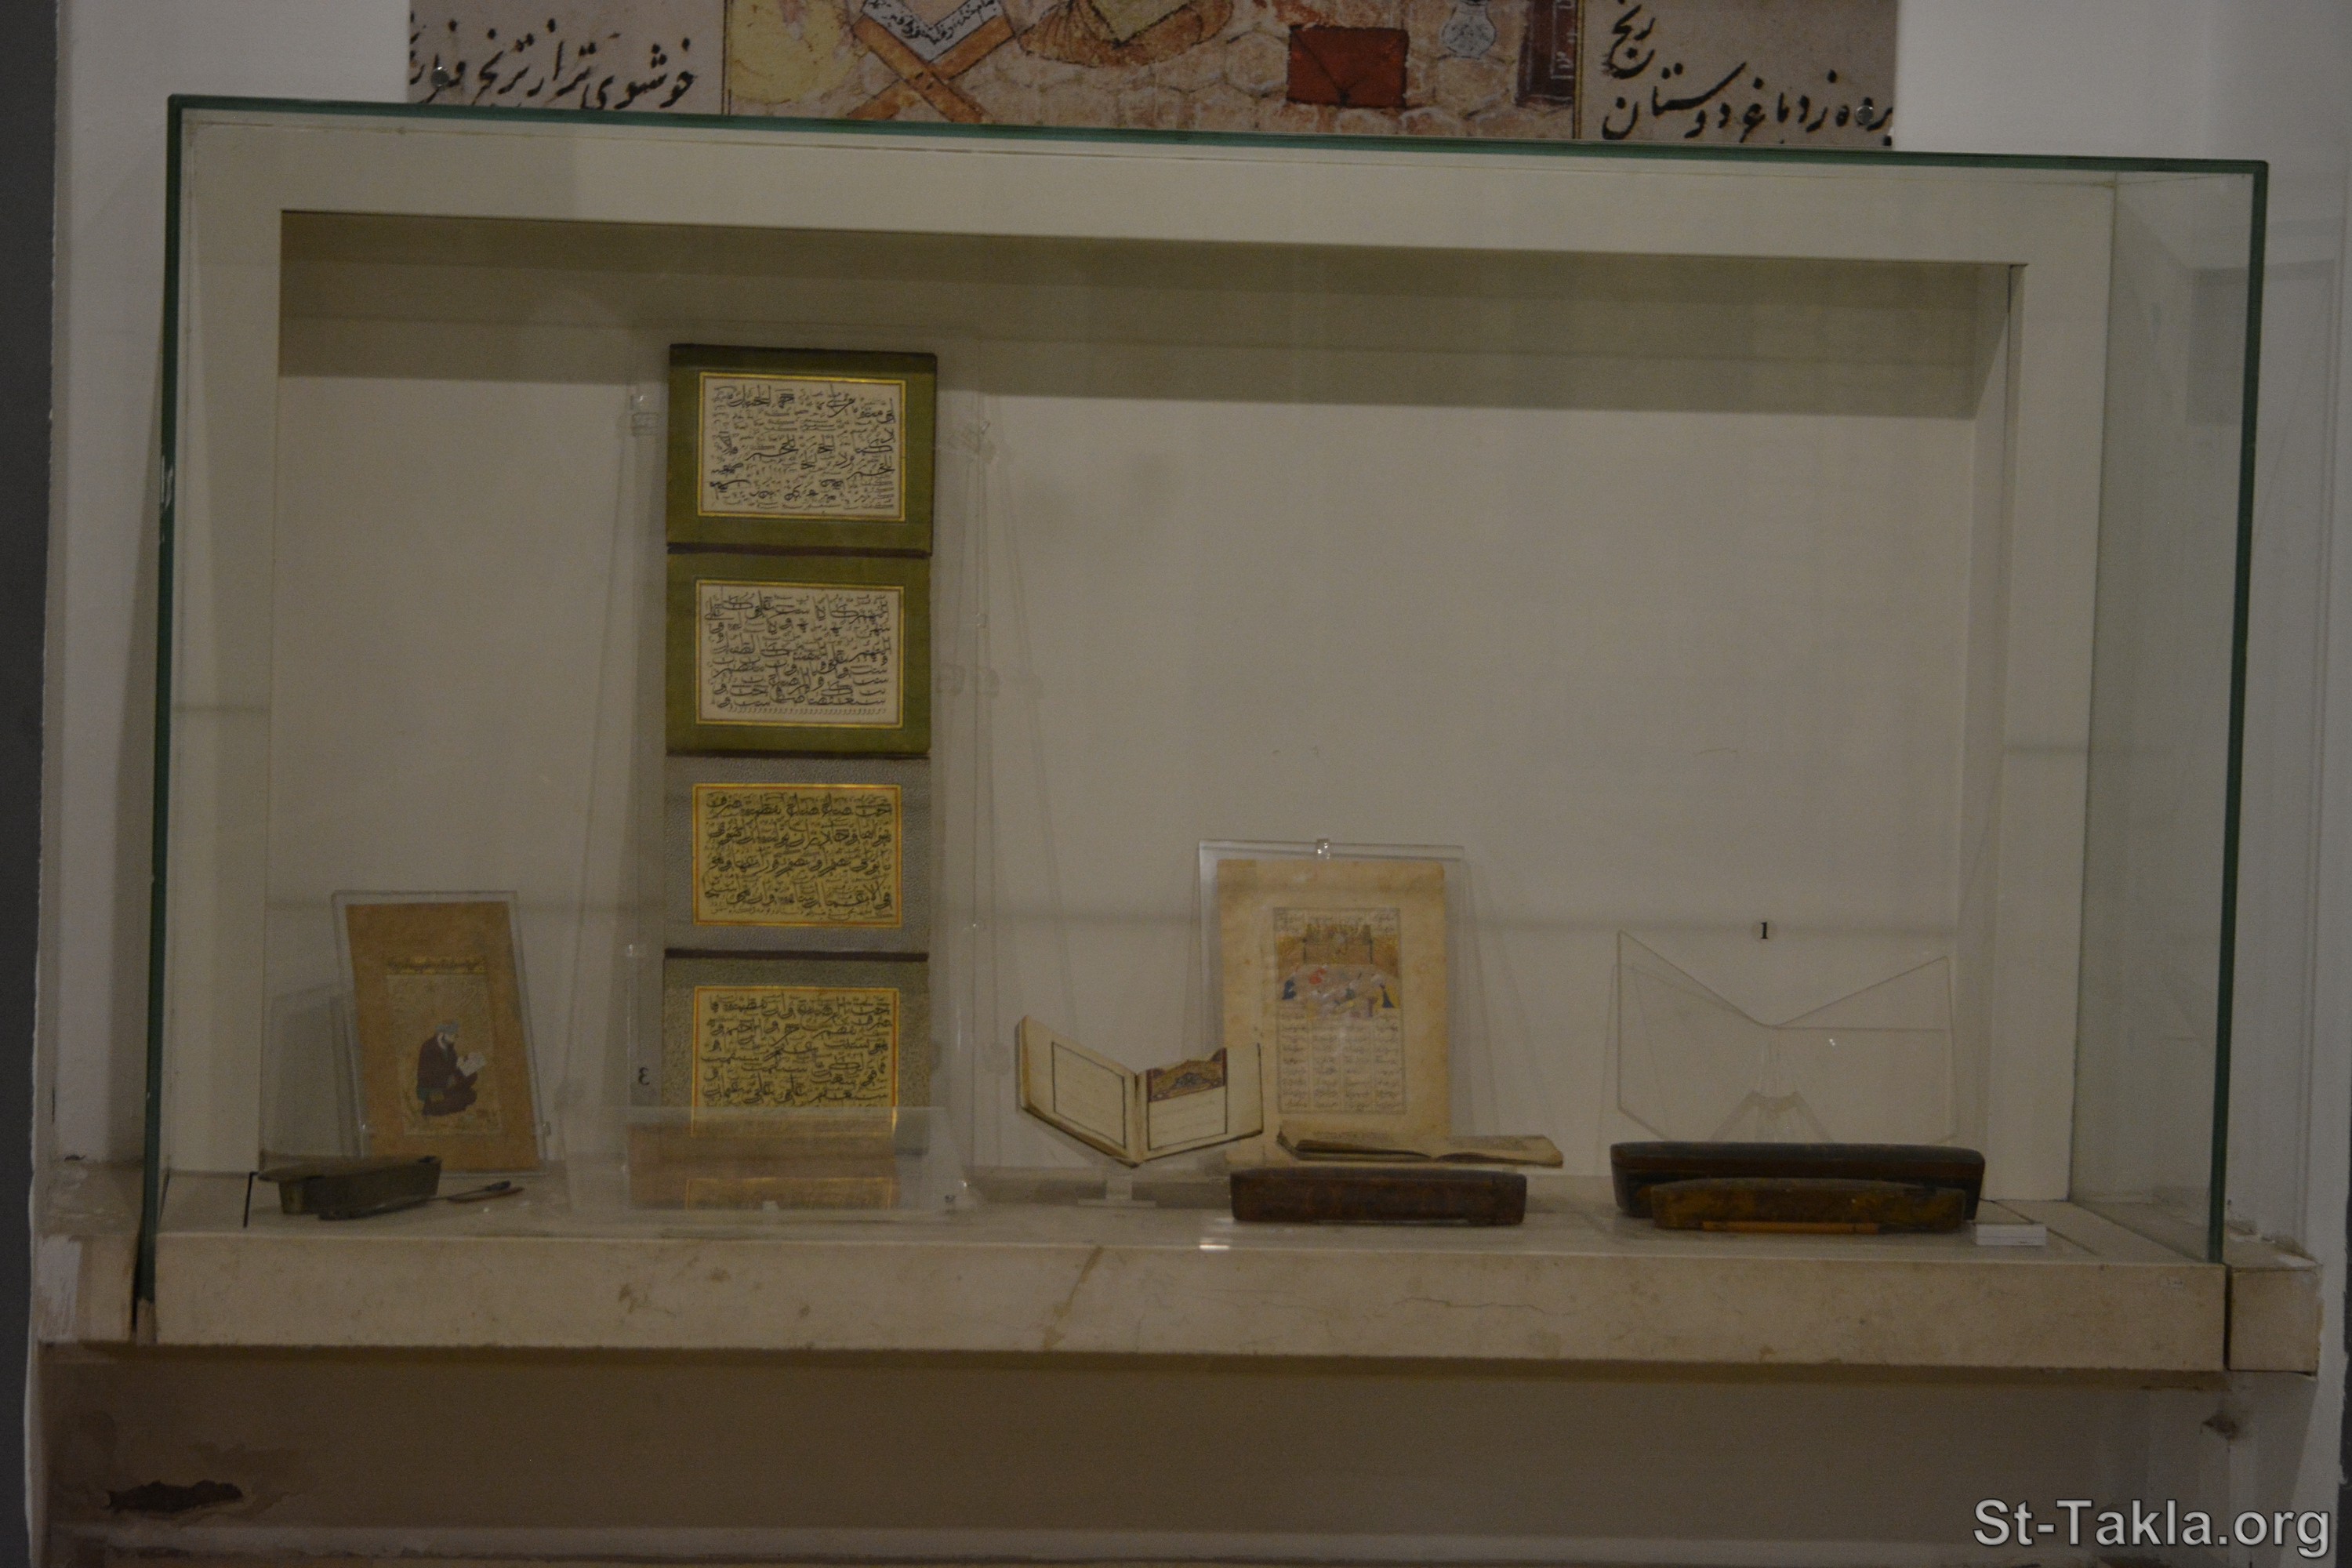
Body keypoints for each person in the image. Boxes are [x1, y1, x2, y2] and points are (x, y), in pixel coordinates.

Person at [415, 1021, 479, 1117]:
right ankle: (433, 1105)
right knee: (462, 1097)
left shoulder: (449, 1047)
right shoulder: (429, 1048)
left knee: (472, 1082)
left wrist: (464, 1062)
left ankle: (448, 1098)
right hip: (432, 1088)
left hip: (447, 1084)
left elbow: (453, 1065)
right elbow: (435, 1074)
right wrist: (456, 1068)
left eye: (455, 1035)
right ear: (442, 1035)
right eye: (452, 1035)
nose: (454, 1038)